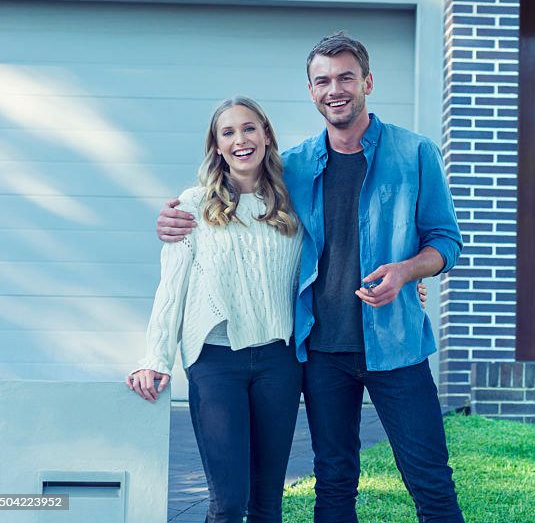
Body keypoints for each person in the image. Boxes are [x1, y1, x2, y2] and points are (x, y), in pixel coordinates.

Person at [157, 33, 465, 523]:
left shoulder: (416, 153)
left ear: (367, 81)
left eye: (346, 77)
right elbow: (235, 199)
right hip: (321, 353)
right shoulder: (294, 167)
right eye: (323, 80)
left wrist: (407, 272)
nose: (335, 89)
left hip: (397, 344)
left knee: (430, 480)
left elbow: (446, 242)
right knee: (334, 482)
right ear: (311, 90)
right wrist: (176, 217)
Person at [128, 96, 304, 523]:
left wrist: (410, 285)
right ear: (218, 146)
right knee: (227, 503)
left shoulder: (293, 204)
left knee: (268, 503)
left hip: (279, 362)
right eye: (228, 132)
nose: (240, 139)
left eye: (249, 128)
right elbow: (172, 287)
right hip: (215, 361)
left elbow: (337, 256)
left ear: (266, 135)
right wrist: (156, 358)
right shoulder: (193, 205)